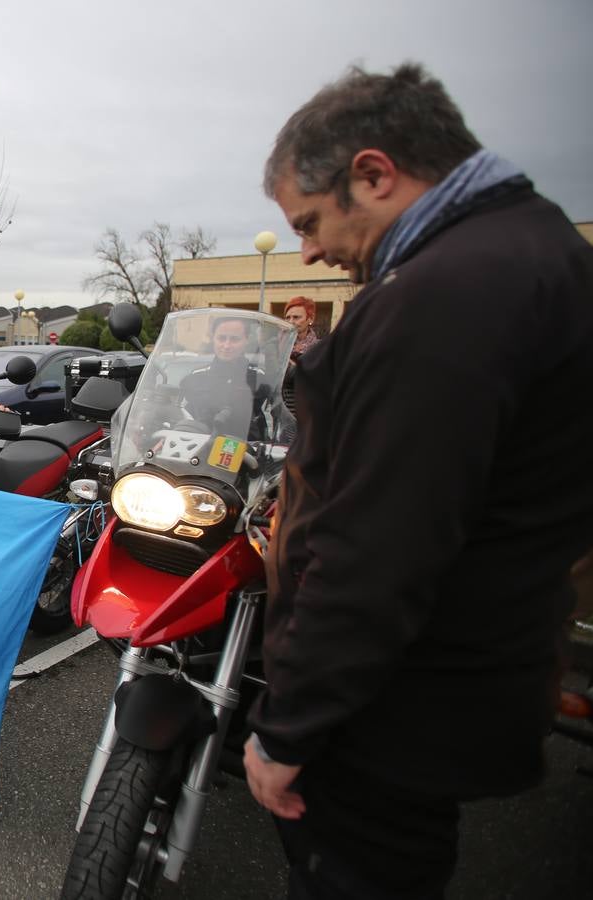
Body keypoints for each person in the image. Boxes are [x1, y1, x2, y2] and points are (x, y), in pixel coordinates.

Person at [241, 63, 593, 898]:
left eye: (310, 221)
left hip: (386, 713)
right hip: (447, 684)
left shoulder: (447, 294)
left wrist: (288, 727)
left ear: (374, 173)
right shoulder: (533, 250)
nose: (310, 251)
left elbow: (376, 547)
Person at [178, 315, 283, 441]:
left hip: (248, 455)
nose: (226, 345)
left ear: (246, 340)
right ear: (213, 339)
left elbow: (280, 420)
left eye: (234, 339)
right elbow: (181, 416)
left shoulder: (261, 379)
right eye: (221, 338)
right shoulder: (194, 378)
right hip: (200, 453)